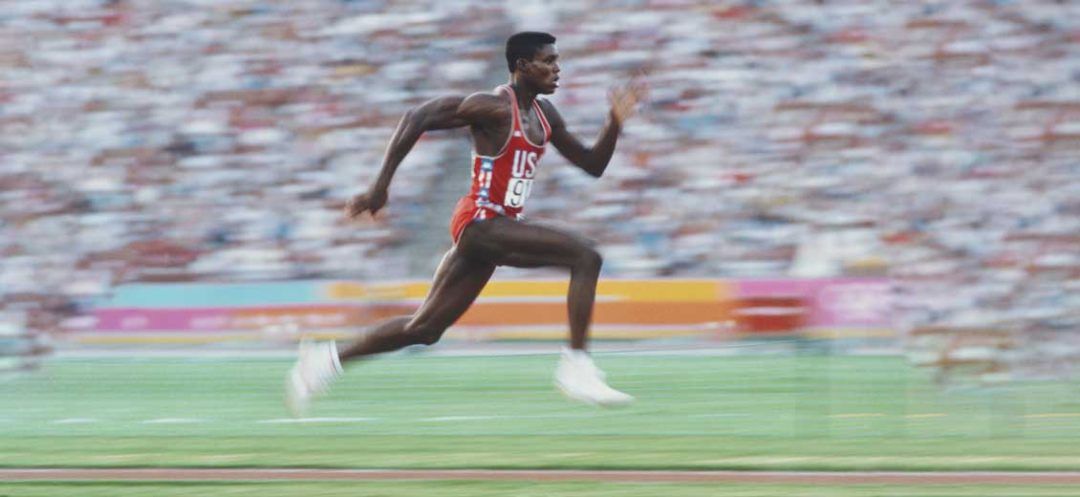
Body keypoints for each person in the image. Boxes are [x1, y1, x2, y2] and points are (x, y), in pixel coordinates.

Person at [286, 31, 646, 415]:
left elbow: (592, 165)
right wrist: (379, 188)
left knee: (424, 329)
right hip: (481, 222)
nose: (558, 70)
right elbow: (417, 117)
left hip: (495, 229)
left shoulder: (546, 116)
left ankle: (324, 360)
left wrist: (614, 122)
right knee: (586, 256)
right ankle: (576, 367)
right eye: (549, 61)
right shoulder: (492, 107)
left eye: (558, 61)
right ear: (523, 66)